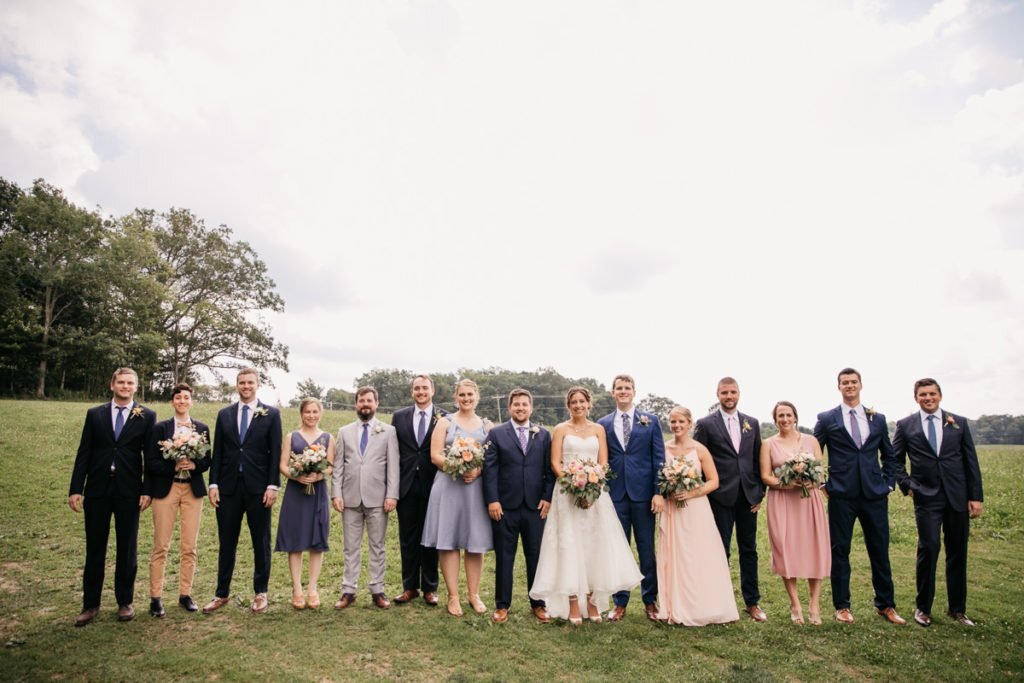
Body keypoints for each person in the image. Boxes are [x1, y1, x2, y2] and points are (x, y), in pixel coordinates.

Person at [531, 387, 643, 624]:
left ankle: (592, 603)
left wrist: (592, 486)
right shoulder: (560, 429)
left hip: (595, 495)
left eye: (582, 401)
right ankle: (572, 603)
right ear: (568, 405)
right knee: (570, 544)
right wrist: (572, 484)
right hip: (567, 494)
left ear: (589, 404)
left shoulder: (598, 429)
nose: (578, 405)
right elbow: (555, 462)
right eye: (574, 402)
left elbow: (603, 462)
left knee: (593, 546)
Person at [813, 368, 905, 625]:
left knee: (880, 550)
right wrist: (823, 484)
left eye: (853, 382)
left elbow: (890, 455)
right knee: (840, 550)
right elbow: (813, 453)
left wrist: (888, 484)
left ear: (860, 385)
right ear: (839, 387)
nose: (849, 386)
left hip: (875, 495)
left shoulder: (877, 418)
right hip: (841, 494)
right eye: (845, 382)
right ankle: (842, 606)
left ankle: (886, 605)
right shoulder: (827, 418)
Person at [892, 378, 984, 628]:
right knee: (929, 548)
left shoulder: (959, 423)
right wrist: (907, 485)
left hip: (957, 496)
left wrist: (975, 497)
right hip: (926, 497)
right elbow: (895, 461)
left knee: (957, 551)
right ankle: (923, 608)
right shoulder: (905, 425)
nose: (928, 398)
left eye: (932, 393)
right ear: (916, 398)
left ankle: (957, 609)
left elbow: (970, 462)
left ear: (940, 396)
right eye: (923, 394)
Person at [68, 367, 156, 626]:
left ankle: (124, 602)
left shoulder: (146, 416)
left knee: (127, 547)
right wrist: (75, 488)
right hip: (97, 490)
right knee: (95, 546)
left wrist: (147, 490)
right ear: (112, 385)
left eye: (130, 383)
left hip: (129, 492)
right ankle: (90, 604)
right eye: (121, 382)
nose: (125, 386)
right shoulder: (95, 414)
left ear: (136, 387)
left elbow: (149, 457)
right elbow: (84, 452)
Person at [204, 367, 282, 614]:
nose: (246, 386)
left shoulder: (271, 414)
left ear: (257, 384)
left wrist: (272, 485)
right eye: (241, 382)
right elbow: (218, 451)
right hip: (228, 487)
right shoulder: (224, 414)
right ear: (236, 385)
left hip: (259, 488)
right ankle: (221, 593)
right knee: (227, 541)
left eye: (250, 382)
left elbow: (275, 452)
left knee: (261, 541)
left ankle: (261, 592)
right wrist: (213, 483)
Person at [656, 406, 739, 626]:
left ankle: (705, 605)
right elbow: (658, 479)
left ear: (689, 423)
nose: (677, 426)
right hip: (673, 508)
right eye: (673, 422)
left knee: (699, 554)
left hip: (696, 509)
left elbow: (713, 481)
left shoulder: (700, 449)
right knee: (676, 554)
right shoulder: (664, 448)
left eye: (681, 422)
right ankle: (676, 605)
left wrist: (691, 493)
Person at [694, 377, 766, 622]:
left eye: (733, 392)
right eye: (724, 392)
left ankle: (752, 602)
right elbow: (698, 463)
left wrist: (759, 493)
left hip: (748, 497)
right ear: (717, 394)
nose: (729, 396)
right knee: (719, 550)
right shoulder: (705, 424)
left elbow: (757, 460)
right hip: (719, 497)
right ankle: (718, 600)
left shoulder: (752, 423)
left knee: (749, 550)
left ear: (739, 393)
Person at [421, 378, 493, 616]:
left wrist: (478, 469)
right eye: (462, 395)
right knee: (448, 542)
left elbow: (492, 457)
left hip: (476, 489)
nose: (466, 399)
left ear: (477, 397)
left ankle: (474, 595)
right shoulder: (444, 423)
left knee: (475, 543)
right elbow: (435, 455)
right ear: (456, 398)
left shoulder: (487, 425)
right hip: (449, 485)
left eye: (470, 395)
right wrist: (458, 467)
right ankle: (453, 597)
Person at [483, 388, 555, 624]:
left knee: (535, 556)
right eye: (516, 405)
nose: (521, 408)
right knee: (505, 557)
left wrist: (547, 497)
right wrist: (492, 500)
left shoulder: (543, 435)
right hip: (505, 506)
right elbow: (490, 470)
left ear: (531, 408)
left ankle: (538, 603)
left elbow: (548, 470)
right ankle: (502, 605)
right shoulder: (496, 434)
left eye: (525, 405)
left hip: (535, 506)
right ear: (509, 408)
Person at [598, 374, 665, 622]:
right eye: (619, 388)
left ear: (634, 392)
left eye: (627, 388)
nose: (623, 391)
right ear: (612, 392)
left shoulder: (651, 421)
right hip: (615, 495)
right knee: (618, 549)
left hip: (644, 495)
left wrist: (658, 493)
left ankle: (650, 601)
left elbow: (659, 458)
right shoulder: (603, 424)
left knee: (646, 549)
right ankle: (620, 602)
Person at [759, 401, 830, 625]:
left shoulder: (811, 440)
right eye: (780, 416)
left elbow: (819, 473)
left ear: (795, 417)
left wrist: (808, 480)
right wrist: (787, 483)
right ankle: (795, 604)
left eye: (788, 415)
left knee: (813, 549)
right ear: (775, 419)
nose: (785, 419)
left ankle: (814, 605)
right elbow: (766, 476)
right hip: (782, 500)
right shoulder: (768, 444)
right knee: (785, 549)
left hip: (808, 501)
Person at [144, 382, 210, 617]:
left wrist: (193, 464)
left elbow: (207, 460)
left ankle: (185, 594)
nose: (182, 401)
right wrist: (173, 465)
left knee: (189, 546)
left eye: (186, 397)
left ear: (192, 401)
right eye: (178, 398)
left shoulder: (201, 429)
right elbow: (151, 461)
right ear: (172, 401)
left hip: (192, 491)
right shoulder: (160, 429)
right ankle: (155, 597)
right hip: (167, 489)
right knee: (161, 545)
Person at [332, 387, 399, 609]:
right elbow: (338, 466)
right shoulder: (344, 432)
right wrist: (336, 493)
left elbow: (393, 467)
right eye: (361, 401)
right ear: (356, 404)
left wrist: (391, 494)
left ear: (377, 403)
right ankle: (348, 590)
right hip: (350, 498)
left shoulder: (388, 431)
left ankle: (377, 589)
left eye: (369, 401)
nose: (365, 404)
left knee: (377, 545)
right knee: (350, 547)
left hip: (378, 499)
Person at [390, 375, 446, 606]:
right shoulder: (399, 416)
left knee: (430, 538)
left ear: (432, 390)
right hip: (407, 485)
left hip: (434, 484)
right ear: (412, 392)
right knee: (408, 538)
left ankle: (430, 588)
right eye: (417, 388)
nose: (421, 391)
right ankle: (409, 586)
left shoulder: (444, 417)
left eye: (425, 388)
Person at [275, 397, 334, 609]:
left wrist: (319, 476)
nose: (311, 416)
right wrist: (296, 475)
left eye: (314, 412)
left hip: (317, 493)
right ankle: (297, 589)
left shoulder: (328, 437)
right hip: (296, 493)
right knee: (295, 540)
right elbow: (282, 464)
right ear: (301, 413)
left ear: (320, 413)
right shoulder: (292, 437)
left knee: (316, 540)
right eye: (307, 412)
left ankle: (312, 588)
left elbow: (331, 466)